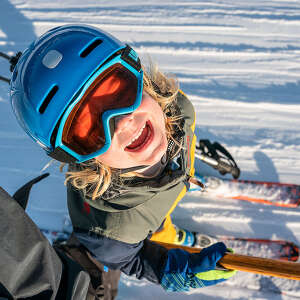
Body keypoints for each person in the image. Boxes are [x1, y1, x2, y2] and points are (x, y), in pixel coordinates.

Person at [9, 24, 236, 296]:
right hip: (147, 222)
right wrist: (170, 268)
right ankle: (168, 236)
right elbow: (129, 259)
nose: (123, 124)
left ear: (139, 74)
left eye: (118, 91)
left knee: (161, 200)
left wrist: (188, 151)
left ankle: (180, 181)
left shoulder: (180, 109)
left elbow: (182, 127)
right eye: (89, 129)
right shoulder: (115, 233)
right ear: (77, 155)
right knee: (156, 226)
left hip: (166, 191)